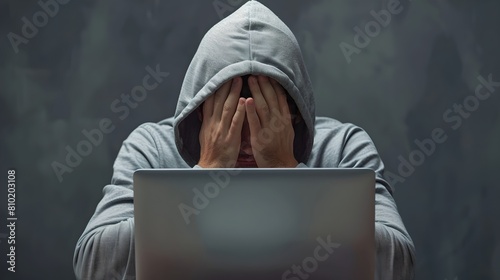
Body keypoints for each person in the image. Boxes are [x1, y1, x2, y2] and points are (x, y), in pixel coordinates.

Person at [73, 1, 415, 279]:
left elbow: (397, 264)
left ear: (295, 113)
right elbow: (95, 264)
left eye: (268, 116)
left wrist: (287, 173)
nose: (249, 142)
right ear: (200, 112)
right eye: (230, 116)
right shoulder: (151, 149)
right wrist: (206, 173)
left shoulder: (342, 149)